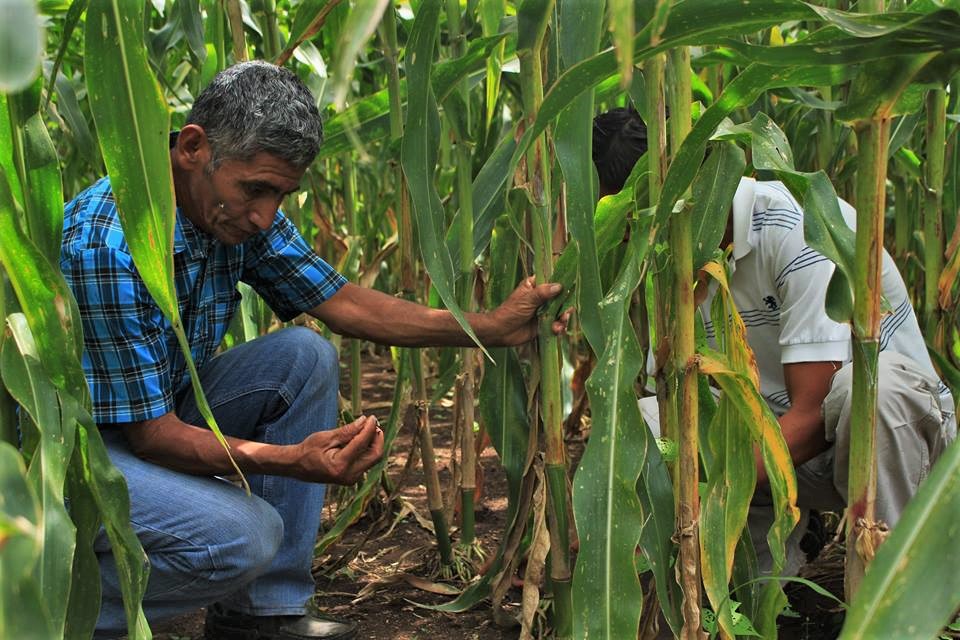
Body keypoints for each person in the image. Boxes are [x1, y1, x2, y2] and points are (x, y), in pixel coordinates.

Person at [62, 61, 567, 640]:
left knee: (305, 355)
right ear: (193, 148)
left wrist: (490, 327)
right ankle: (57, 604)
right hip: (81, 451)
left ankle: (262, 616)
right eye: (256, 190)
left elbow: (344, 303)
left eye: (281, 194)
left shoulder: (229, 207)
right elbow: (151, 437)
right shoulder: (110, 243)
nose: (265, 215)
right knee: (243, 534)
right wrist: (292, 459)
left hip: (157, 412)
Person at [592, 107, 956, 573]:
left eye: (626, 215)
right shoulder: (669, 256)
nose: (626, 234)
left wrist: (710, 499)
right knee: (644, 420)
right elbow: (662, 398)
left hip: (885, 446)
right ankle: (754, 581)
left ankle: (901, 583)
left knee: (873, 393)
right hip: (777, 450)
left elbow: (812, 412)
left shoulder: (798, 227)